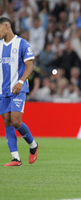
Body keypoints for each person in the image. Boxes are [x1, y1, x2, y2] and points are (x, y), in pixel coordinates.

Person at [0, 17, 39, 166]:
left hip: (18, 89)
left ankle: (33, 145)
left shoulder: (22, 43)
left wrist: (20, 82)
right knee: (7, 121)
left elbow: (29, 65)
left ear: (6, 26)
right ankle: (16, 158)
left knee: (16, 121)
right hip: (2, 91)